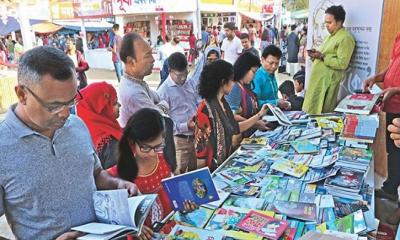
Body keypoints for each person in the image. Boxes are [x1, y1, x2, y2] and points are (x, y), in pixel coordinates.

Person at [0, 46, 137, 239]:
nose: (65, 113)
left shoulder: (77, 125)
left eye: (71, 101)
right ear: (22, 94)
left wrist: (116, 184)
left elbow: (95, 174)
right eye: (54, 106)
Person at [107, 108, 197, 240]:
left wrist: (184, 207)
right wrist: (131, 226)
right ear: (132, 142)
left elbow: (171, 200)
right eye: (146, 147)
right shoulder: (115, 175)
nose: (152, 153)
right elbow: (109, 212)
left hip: (169, 231)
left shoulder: (164, 161)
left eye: (158, 146)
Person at [195, 60, 269, 171]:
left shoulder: (223, 103)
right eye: (232, 80)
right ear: (223, 82)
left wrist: (259, 115)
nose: (233, 84)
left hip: (224, 165)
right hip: (212, 170)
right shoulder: (205, 110)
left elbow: (235, 128)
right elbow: (200, 153)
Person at [363, 32, 400, 224]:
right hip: (391, 104)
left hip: (397, 101)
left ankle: (392, 189)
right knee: (392, 150)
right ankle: (390, 188)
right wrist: (377, 78)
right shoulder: (398, 36)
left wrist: (395, 90)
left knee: (397, 150)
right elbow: (393, 65)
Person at [303, 5, 355, 114]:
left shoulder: (345, 38)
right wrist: (314, 56)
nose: (326, 26)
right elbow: (323, 56)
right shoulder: (329, 37)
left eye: (329, 22)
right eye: (325, 22)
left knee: (322, 113)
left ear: (339, 22)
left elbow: (342, 64)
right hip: (317, 81)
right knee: (311, 111)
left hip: (327, 83)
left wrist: (322, 57)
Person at [157, 52, 199, 174]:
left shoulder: (190, 82)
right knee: (178, 175)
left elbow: (197, 102)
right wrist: (186, 125)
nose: (182, 78)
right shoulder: (163, 92)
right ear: (170, 71)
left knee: (194, 175)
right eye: (178, 75)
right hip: (179, 141)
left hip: (195, 137)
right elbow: (164, 123)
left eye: (185, 73)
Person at [118, 32, 168, 127]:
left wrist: (159, 105)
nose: (153, 59)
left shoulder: (136, 82)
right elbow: (161, 119)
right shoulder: (134, 93)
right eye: (147, 55)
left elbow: (159, 97)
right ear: (131, 62)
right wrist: (163, 105)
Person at [76, 82, 122, 169]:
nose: (120, 105)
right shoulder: (111, 144)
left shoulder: (77, 130)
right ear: (102, 110)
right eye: (114, 103)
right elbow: (116, 178)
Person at [225, 52, 269, 138]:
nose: (254, 76)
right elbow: (232, 116)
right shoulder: (234, 87)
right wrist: (255, 123)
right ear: (244, 69)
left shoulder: (246, 86)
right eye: (253, 72)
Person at [253, 45, 291, 109]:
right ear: (262, 60)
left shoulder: (271, 74)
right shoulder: (257, 77)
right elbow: (255, 103)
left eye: (277, 63)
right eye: (271, 63)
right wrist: (276, 102)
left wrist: (282, 102)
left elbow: (274, 97)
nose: (274, 66)